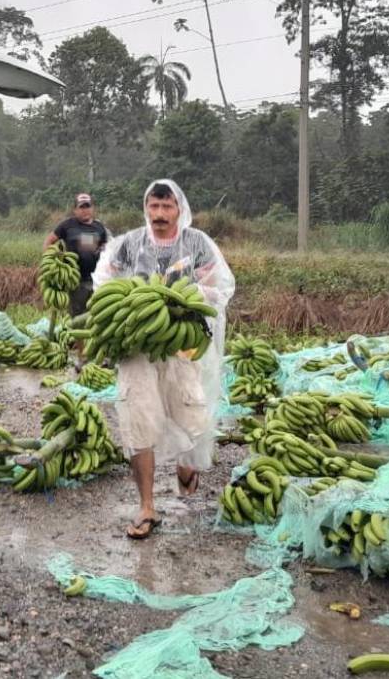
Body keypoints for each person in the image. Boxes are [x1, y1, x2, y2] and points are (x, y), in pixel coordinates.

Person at [91, 179, 235, 539]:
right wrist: (134, 300)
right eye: (153, 207)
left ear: (179, 209)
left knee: (191, 416)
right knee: (137, 421)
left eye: (166, 207)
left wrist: (186, 293)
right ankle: (146, 507)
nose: (159, 214)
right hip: (136, 344)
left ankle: (187, 467)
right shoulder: (128, 243)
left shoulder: (197, 243)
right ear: (146, 208)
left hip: (180, 346)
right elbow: (102, 280)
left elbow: (221, 287)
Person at [45, 193, 110, 318]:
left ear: (93, 208)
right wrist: (50, 261)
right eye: (81, 207)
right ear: (75, 210)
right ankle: (76, 338)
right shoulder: (67, 225)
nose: (85, 210)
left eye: (88, 206)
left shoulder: (99, 227)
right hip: (76, 281)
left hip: (97, 279)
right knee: (77, 318)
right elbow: (49, 241)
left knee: (97, 316)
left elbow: (106, 246)